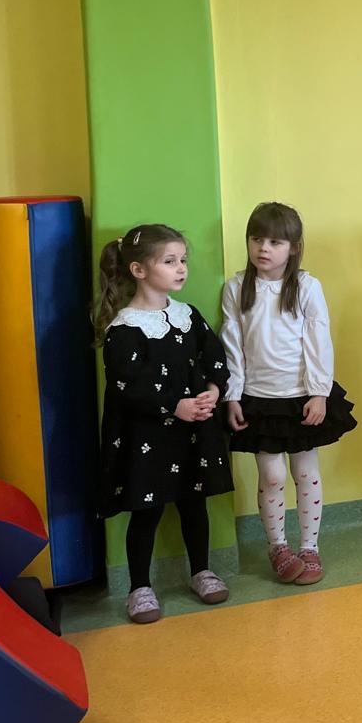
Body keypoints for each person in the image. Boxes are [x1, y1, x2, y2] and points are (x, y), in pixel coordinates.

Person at [96, 224, 236, 625]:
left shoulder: (187, 315)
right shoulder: (124, 328)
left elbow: (214, 356)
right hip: (148, 437)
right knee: (147, 510)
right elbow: (128, 385)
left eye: (183, 260)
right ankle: (139, 587)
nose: (181, 269)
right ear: (139, 270)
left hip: (193, 433)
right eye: (170, 261)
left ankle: (201, 571)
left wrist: (213, 389)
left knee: (194, 503)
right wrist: (174, 406)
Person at [221, 201, 357, 587]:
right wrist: (233, 394)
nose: (263, 248)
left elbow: (318, 342)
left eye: (275, 242)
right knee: (273, 475)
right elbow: (232, 346)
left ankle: (309, 547)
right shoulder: (236, 288)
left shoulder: (306, 287)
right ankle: (278, 547)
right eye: (256, 239)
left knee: (306, 472)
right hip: (258, 399)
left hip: (301, 396)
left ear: (293, 248)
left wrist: (319, 392)